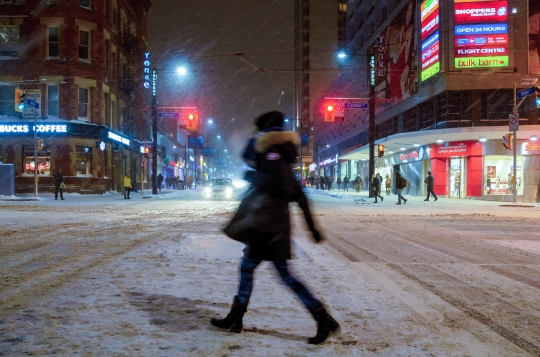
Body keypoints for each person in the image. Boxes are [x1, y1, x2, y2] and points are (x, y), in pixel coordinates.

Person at [213, 111, 339, 345]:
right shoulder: (280, 156)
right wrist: (312, 228)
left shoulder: (273, 156)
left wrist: (253, 177)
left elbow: (283, 186)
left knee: (274, 274)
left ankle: (323, 318)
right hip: (272, 226)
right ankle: (237, 317)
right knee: (256, 269)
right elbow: (299, 195)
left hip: (269, 227)